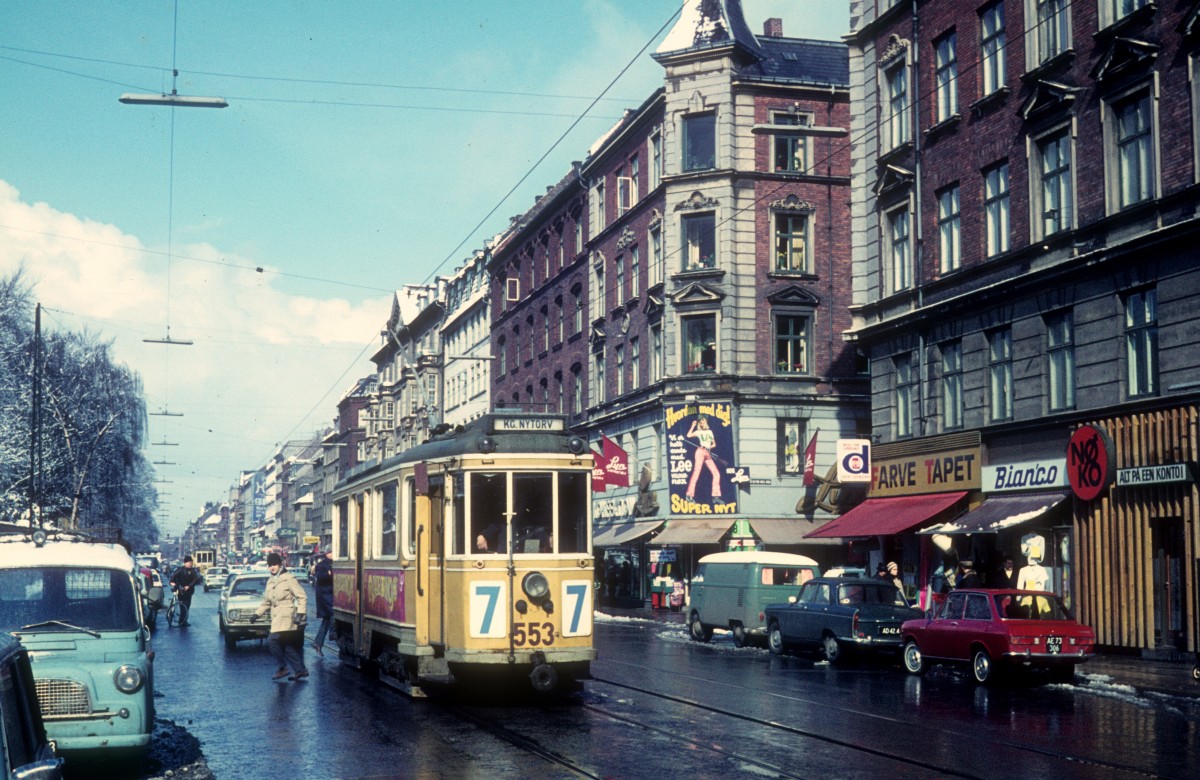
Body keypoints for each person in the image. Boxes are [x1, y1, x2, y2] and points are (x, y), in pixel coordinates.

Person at [251, 553, 309, 681]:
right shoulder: (270, 581)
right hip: (277, 617)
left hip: (287, 616)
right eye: (270, 565)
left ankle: (283, 668)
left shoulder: (289, 578)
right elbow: (267, 601)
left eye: (274, 565)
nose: (272, 568)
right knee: (285, 645)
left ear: (280, 564)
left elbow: (302, 596)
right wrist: (257, 614)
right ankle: (301, 670)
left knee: (272, 640)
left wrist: (300, 614)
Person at [685, 416, 722, 501]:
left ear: (705, 422)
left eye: (703, 421)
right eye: (700, 422)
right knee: (696, 472)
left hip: (707, 453)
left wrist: (708, 447)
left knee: (716, 473)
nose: (701, 422)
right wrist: (693, 425)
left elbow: (714, 444)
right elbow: (688, 435)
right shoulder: (698, 432)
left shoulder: (710, 432)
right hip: (700, 451)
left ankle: (716, 495)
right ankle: (689, 494)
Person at [312, 550, 334, 656]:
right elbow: (321, 577)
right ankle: (334, 634)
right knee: (334, 613)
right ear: (327, 554)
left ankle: (317, 643)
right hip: (325, 596)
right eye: (332, 552)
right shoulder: (322, 565)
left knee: (327, 619)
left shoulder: (330, 564)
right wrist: (329, 574)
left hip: (328, 594)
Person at [169, 555, 200, 627]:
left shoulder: (192, 571)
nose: (191, 564)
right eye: (189, 562)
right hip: (181, 591)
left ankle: (184, 620)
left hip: (189, 592)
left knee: (187, 606)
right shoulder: (180, 570)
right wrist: (173, 584)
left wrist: (189, 586)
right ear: (185, 563)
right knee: (183, 606)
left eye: (191, 562)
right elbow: (172, 579)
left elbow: (195, 580)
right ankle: (181, 621)